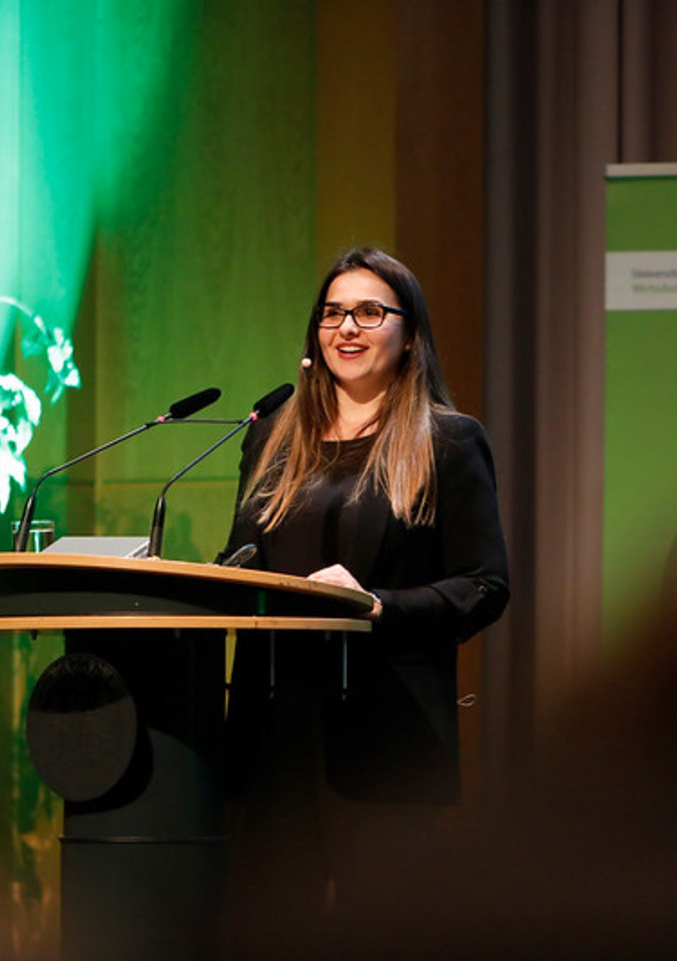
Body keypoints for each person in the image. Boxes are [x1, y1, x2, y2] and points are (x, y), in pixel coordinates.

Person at [217, 247, 509, 948]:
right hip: (271, 738)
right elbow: (239, 562)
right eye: (333, 312)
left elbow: (484, 585)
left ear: (409, 334)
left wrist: (377, 606)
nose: (347, 326)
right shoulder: (272, 440)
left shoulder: (446, 441)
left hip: (385, 737)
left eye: (370, 311)